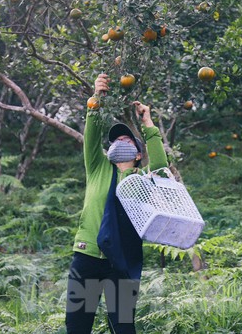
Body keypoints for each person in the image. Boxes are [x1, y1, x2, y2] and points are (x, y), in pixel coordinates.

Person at [65, 73, 168, 333]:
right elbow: (91, 133)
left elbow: (160, 167)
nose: (119, 141)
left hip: (121, 261)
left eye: (126, 139)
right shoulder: (98, 167)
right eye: (115, 140)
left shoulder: (141, 179)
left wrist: (147, 123)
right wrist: (97, 98)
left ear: (137, 154)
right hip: (88, 255)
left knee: (122, 327)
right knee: (78, 326)